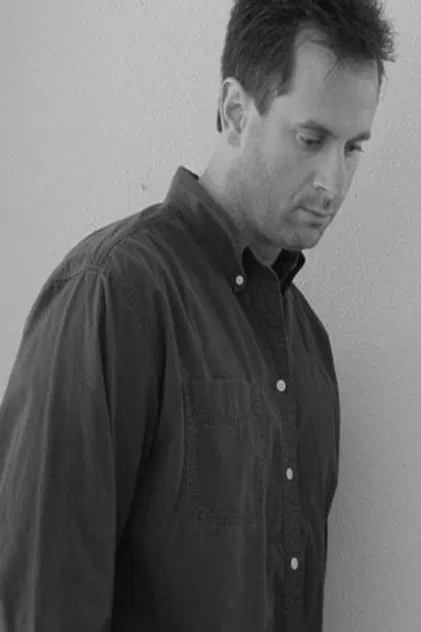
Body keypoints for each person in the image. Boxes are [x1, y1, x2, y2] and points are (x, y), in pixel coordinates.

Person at [0, 1, 395, 630]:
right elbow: (44, 597)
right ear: (236, 111)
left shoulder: (310, 346)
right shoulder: (116, 292)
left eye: (353, 148)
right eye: (312, 139)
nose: (333, 182)